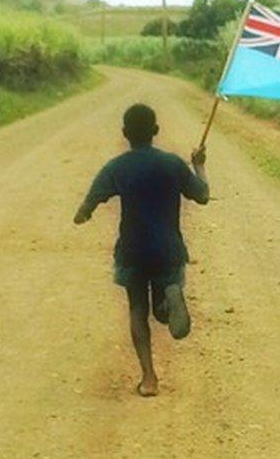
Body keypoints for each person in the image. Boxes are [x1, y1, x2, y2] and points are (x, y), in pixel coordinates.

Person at [73, 103, 209, 397]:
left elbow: (86, 207)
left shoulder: (117, 168)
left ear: (125, 134)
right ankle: (168, 299)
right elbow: (203, 196)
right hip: (168, 250)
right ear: (156, 131)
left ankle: (149, 380)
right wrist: (198, 165)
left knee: (137, 310)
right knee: (161, 311)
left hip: (133, 251)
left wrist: (84, 213)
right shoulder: (172, 164)